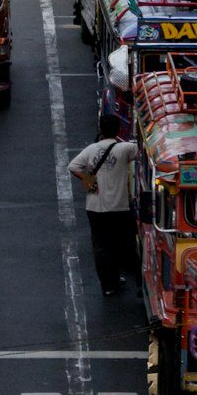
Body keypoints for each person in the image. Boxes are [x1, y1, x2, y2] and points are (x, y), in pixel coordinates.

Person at [68, 113, 139, 297]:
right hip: (118, 206)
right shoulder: (125, 149)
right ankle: (116, 278)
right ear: (118, 130)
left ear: (100, 129)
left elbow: (73, 166)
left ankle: (107, 284)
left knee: (100, 247)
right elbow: (143, 150)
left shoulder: (91, 149)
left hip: (94, 206)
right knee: (118, 245)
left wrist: (86, 179)